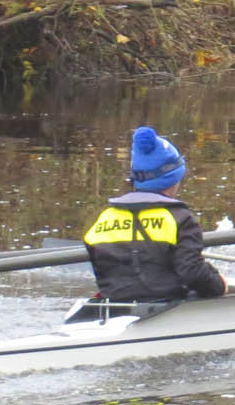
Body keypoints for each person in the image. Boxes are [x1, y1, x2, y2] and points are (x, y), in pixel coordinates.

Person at [84, 126, 227, 301]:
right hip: (165, 310)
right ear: (174, 179)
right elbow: (192, 271)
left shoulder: (104, 219)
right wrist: (218, 284)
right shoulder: (180, 219)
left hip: (112, 309)